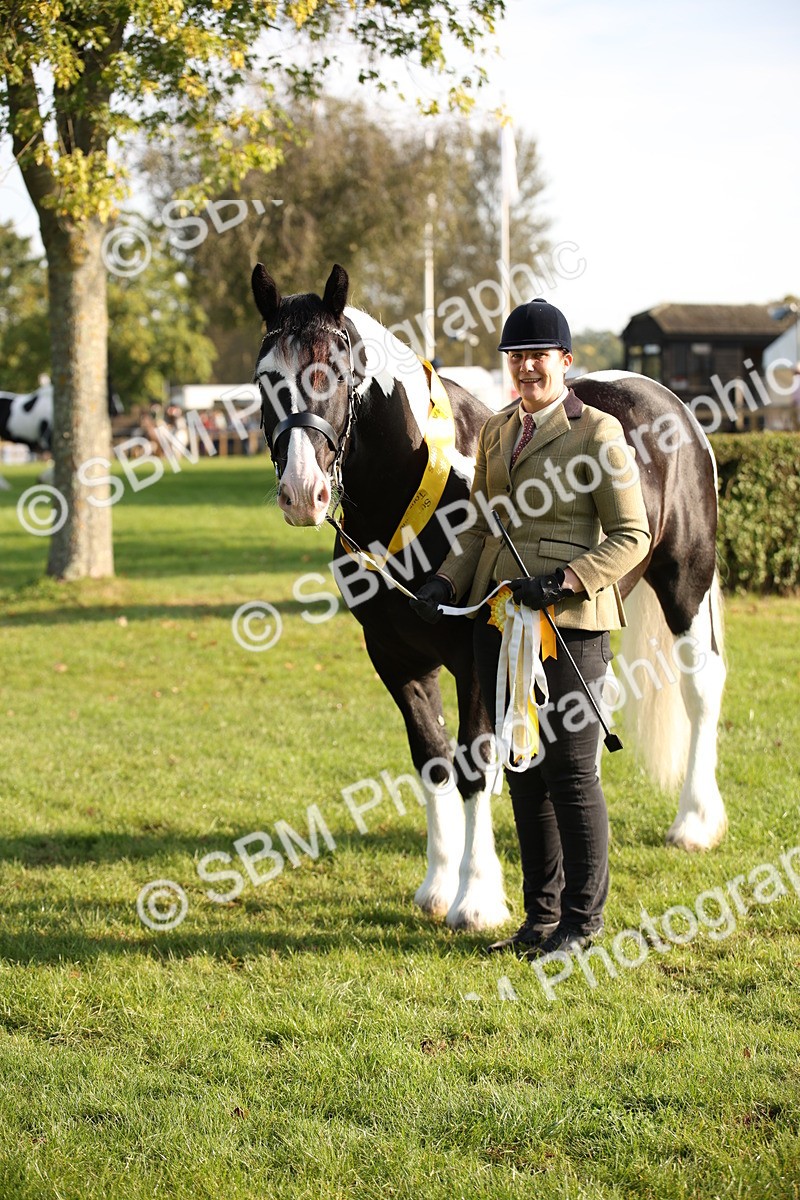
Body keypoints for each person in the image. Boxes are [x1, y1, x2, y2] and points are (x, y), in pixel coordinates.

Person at [410, 297, 651, 958]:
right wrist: (445, 580)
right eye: (515, 358)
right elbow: (484, 525)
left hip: (569, 628)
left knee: (571, 773)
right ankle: (539, 920)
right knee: (521, 769)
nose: (525, 369)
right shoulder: (493, 431)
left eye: (537, 357)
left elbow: (634, 536)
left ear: (565, 362)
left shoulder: (597, 433)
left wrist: (568, 580)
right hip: (501, 620)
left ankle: (582, 922)